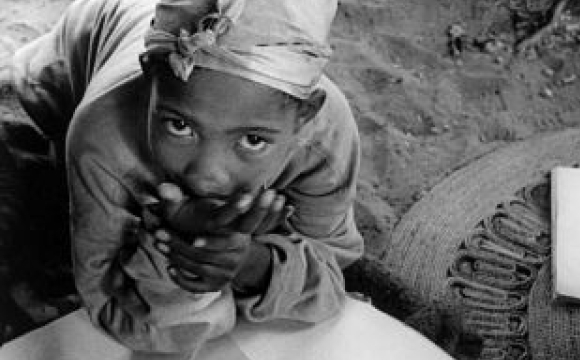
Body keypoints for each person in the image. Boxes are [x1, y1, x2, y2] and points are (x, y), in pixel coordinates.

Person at [11, 0, 364, 357]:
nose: (207, 178)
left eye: (253, 140)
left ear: (306, 115)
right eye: (179, 125)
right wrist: (180, 241)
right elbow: (108, 307)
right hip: (76, 45)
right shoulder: (100, 136)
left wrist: (252, 264)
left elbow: (336, 266)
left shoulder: (325, 140)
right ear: (150, 80)